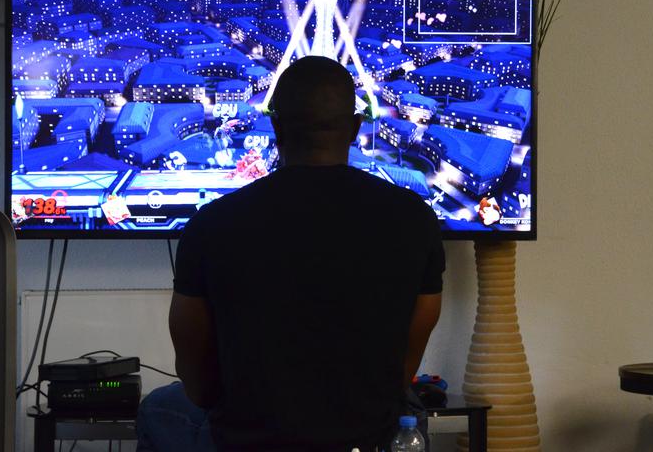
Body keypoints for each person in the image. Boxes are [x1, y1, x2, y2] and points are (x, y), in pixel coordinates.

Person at [137, 56, 445, 452]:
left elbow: (198, 384)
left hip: (249, 439)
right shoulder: (415, 221)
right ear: (353, 129)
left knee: (157, 408)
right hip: (368, 437)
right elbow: (404, 370)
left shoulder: (212, 225)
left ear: (277, 127)